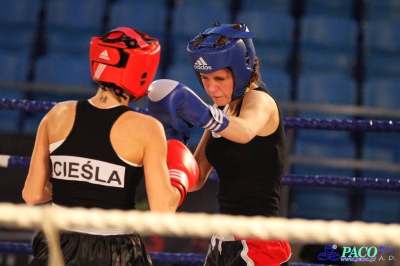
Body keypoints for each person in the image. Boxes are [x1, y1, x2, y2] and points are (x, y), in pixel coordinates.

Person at [22, 26, 199, 266]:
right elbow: (162, 209)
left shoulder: (56, 114)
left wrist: (76, 179)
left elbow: (32, 195)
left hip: (56, 243)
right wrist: (180, 176)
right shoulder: (146, 128)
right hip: (115, 250)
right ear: (142, 70)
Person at [147, 22, 291, 265]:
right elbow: (197, 176)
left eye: (220, 78)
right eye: (204, 78)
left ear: (243, 69)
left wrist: (202, 114)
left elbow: (245, 131)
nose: (211, 88)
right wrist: (174, 142)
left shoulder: (260, 101)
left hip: (260, 240)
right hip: (224, 237)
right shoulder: (219, 109)